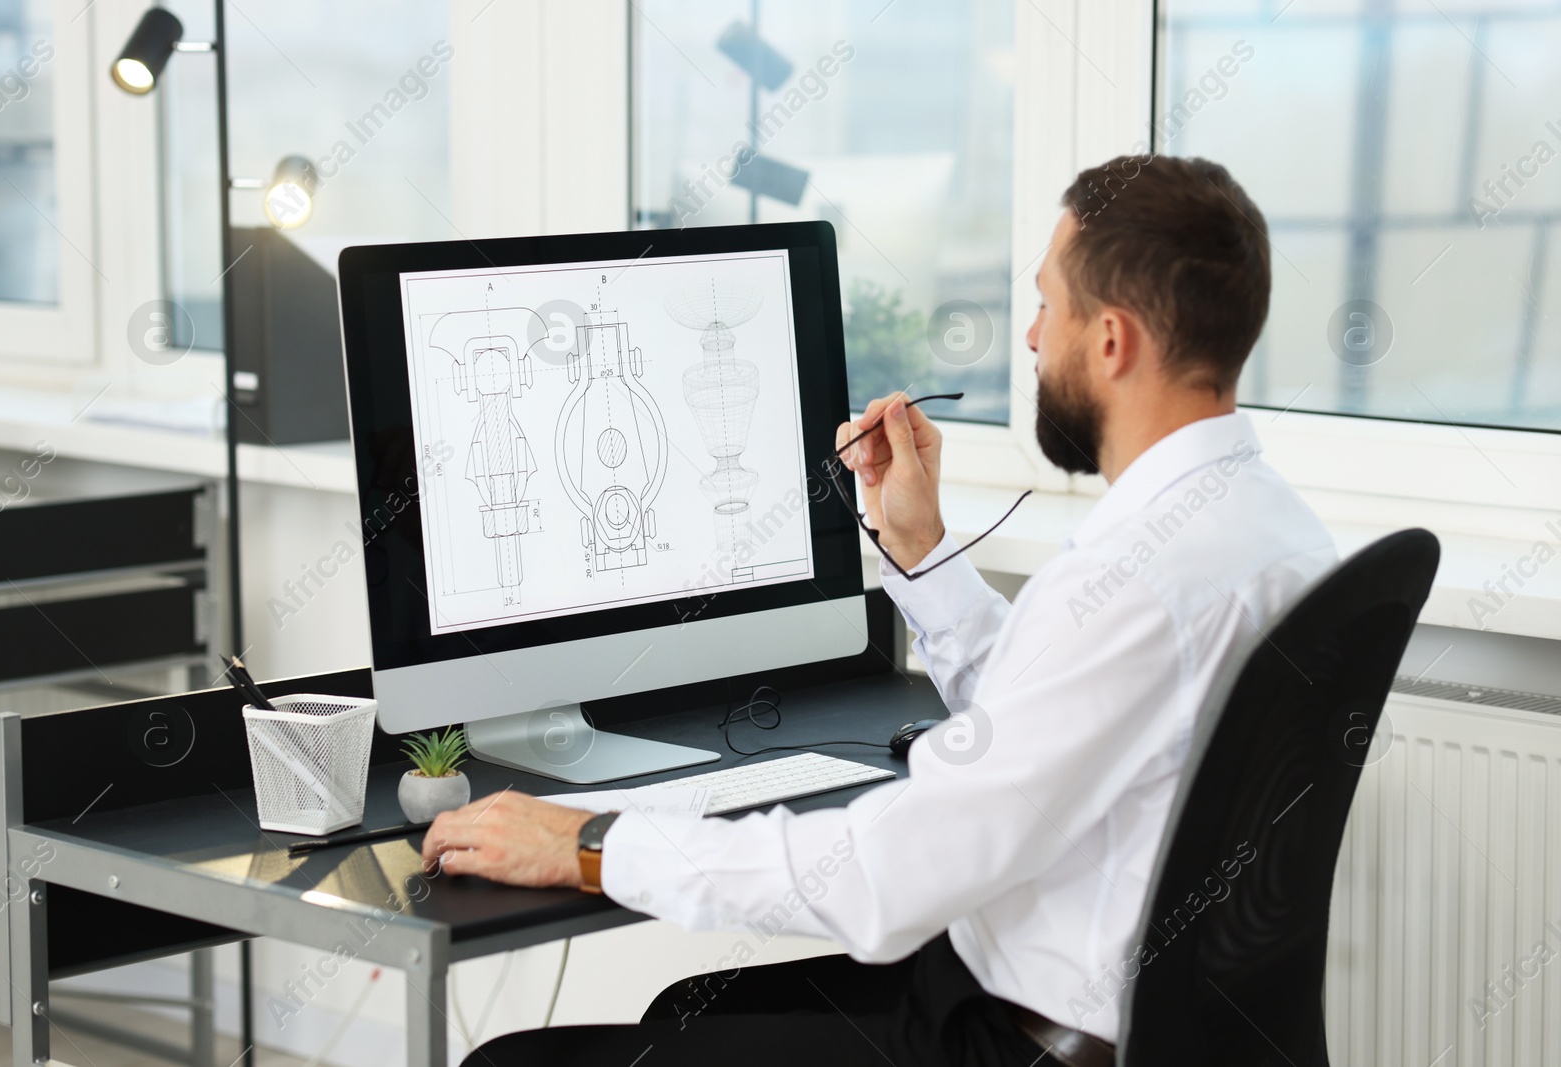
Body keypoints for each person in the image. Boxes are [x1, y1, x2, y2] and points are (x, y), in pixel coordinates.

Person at [427, 154, 1337, 1067]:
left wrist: (590, 842)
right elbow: (1049, 719)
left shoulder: (1137, 574)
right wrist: (919, 547)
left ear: (1111, 340)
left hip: (1017, 1042)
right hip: (1121, 1013)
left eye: (1047, 306)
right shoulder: (1267, 527)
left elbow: (882, 879)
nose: (1029, 336)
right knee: (692, 1005)